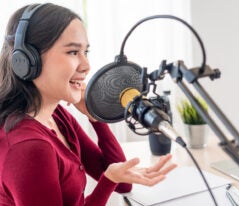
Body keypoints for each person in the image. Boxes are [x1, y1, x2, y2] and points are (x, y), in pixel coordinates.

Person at [0, 3, 176, 206]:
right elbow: (112, 179)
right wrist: (109, 180)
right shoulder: (28, 147)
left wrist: (95, 115)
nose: (86, 66)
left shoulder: (55, 116)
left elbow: (122, 185)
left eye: (86, 52)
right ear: (27, 61)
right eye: (73, 52)